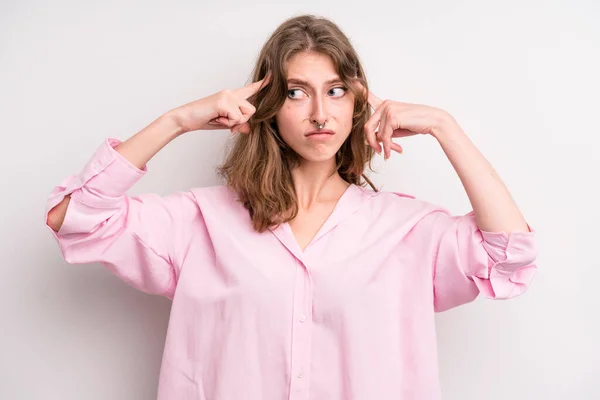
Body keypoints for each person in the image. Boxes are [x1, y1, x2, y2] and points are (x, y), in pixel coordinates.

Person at [44, 14, 537, 400]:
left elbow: (509, 258)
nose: (320, 113)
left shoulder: (408, 231)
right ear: (270, 106)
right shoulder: (200, 223)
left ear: (357, 105)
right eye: (297, 93)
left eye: (336, 91)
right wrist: (176, 121)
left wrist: (444, 127)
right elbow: (77, 219)